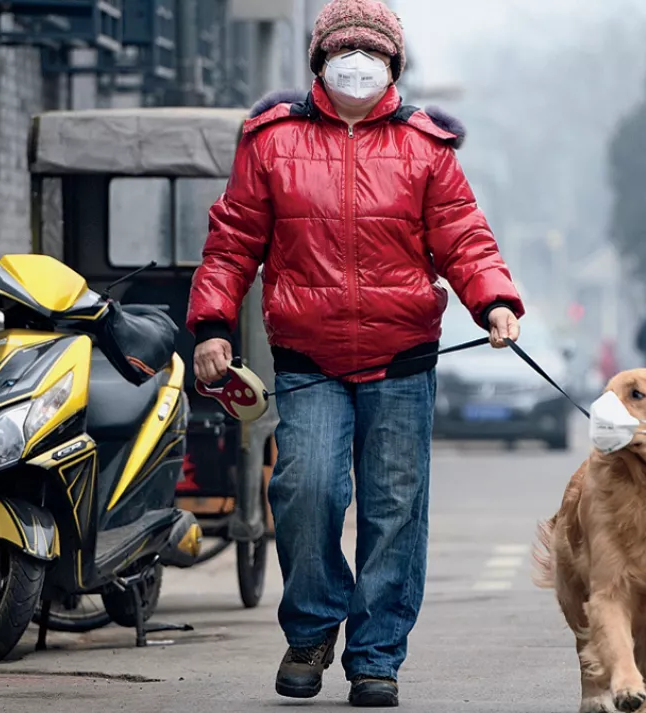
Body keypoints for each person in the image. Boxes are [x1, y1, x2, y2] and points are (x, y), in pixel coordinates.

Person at [185, 0, 524, 706]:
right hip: (308, 358)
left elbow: (464, 238)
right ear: (321, 61)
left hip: (401, 359)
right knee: (306, 491)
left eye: (374, 53)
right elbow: (233, 241)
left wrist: (493, 301)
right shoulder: (271, 140)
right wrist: (212, 323)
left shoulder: (427, 148)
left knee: (394, 507)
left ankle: (376, 655)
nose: (359, 64)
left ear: (394, 64)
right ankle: (311, 629)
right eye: (347, 52)